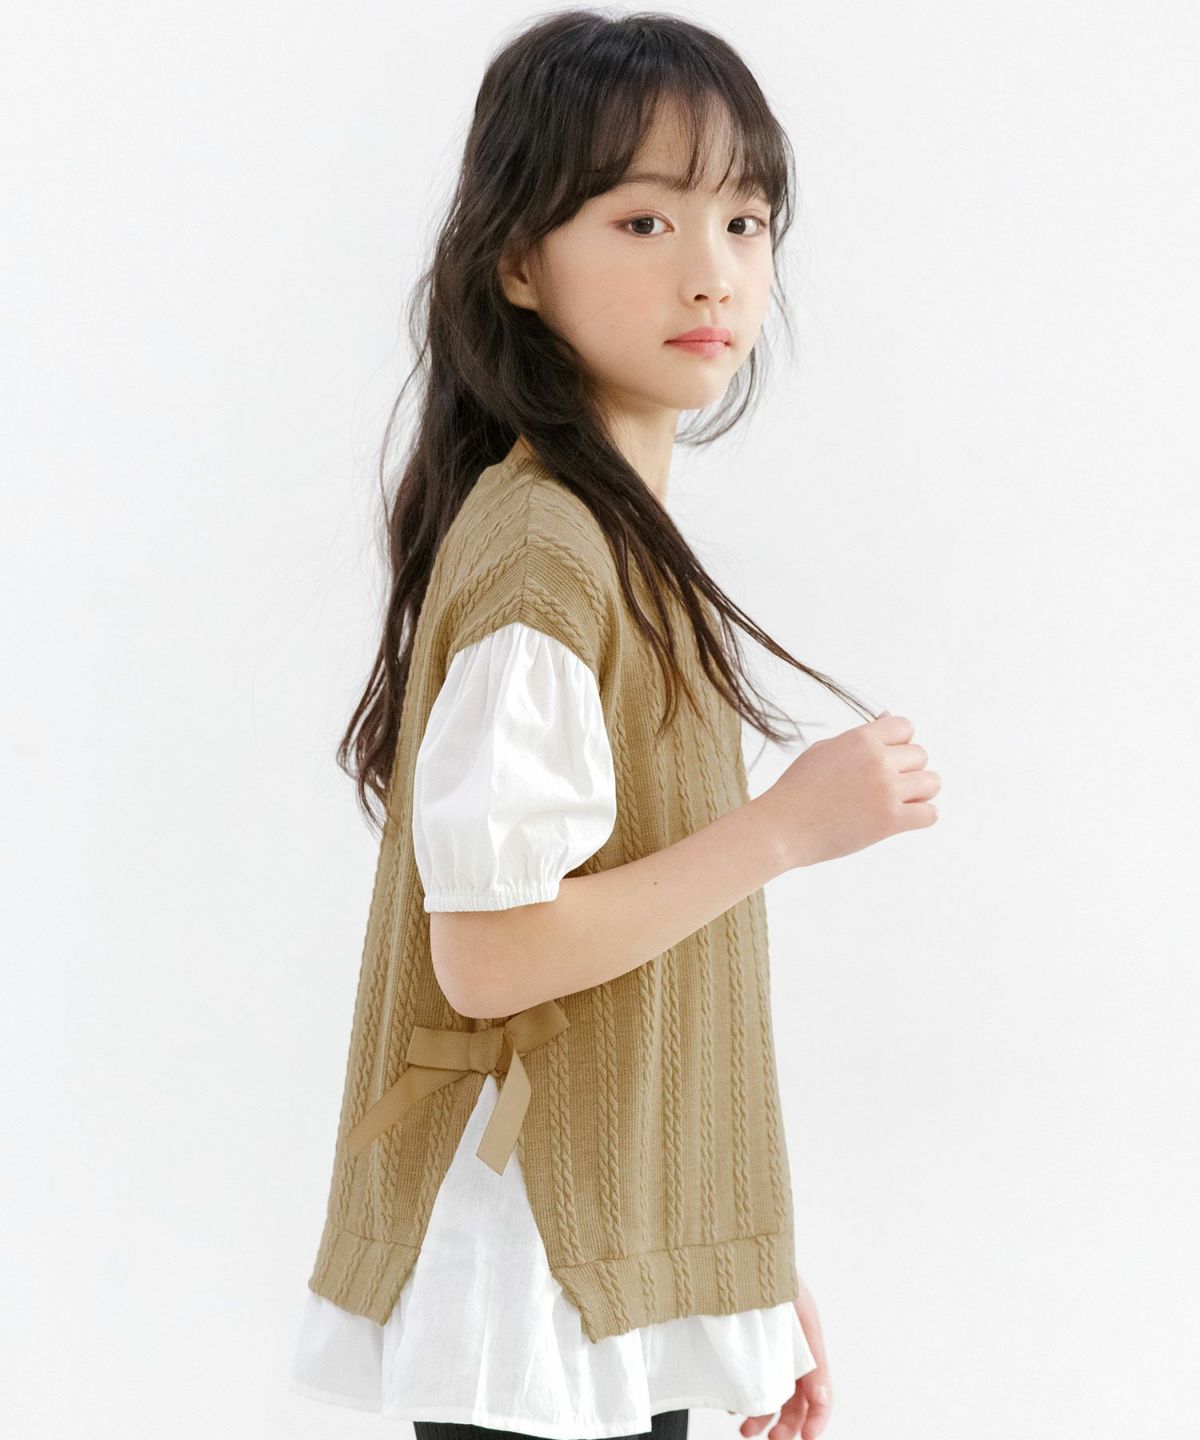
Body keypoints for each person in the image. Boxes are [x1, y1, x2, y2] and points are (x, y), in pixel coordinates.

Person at [287, 10, 940, 1440]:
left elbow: (639, 979)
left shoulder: (607, 543)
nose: (714, 270)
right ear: (517, 263)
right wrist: (785, 829)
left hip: (593, 1262)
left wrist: (735, 1267)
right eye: (645, 220)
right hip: (532, 1275)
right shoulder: (549, 555)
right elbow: (492, 951)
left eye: (746, 221)